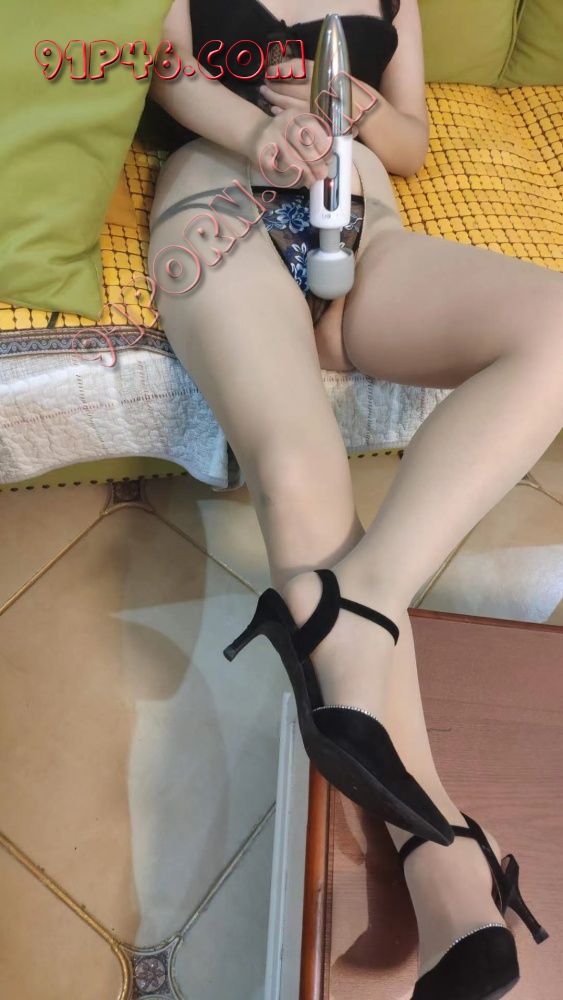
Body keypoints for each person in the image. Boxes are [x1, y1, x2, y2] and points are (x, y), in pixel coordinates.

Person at [143, 1, 561, 995]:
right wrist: (255, 129)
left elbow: (411, 142)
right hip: (221, 204)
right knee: (300, 471)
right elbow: (165, 67)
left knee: (555, 325)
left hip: (364, 224)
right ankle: (441, 852)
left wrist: (363, 113)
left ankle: (361, 595)